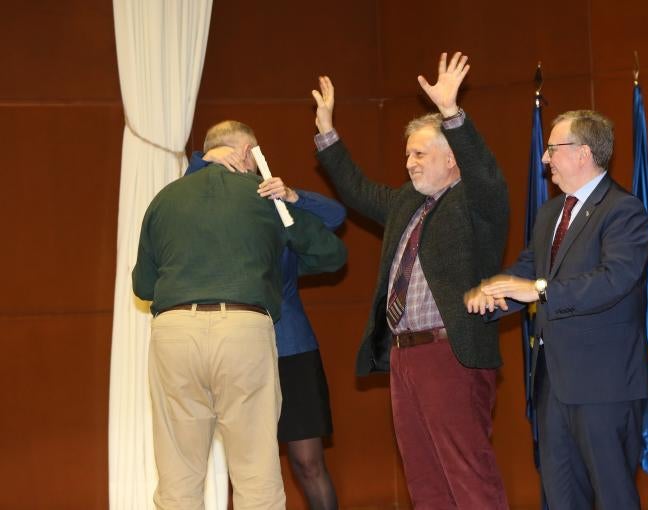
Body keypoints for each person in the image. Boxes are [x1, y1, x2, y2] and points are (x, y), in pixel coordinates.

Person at [311, 52, 510, 509]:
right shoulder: (407, 204)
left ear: (452, 160)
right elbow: (359, 190)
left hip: (450, 355)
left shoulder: (476, 203)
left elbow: (487, 176)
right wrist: (327, 131)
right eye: (407, 154)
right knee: (424, 480)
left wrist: (451, 114)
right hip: (404, 357)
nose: (410, 163)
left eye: (420, 153)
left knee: (468, 477)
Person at [132, 120, 347, 509]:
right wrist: (288, 201)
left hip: (175, 333)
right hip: (244, 331)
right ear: (249, 154)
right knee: (255, 474)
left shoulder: (165, 199)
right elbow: (332, 252)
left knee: (177, 478)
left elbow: (144, 287)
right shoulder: (262, 196)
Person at [465, 110, 648, 510]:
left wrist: (539, 290)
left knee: (614, 497)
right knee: (560, 498)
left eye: (552, 148)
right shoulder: (551, 212)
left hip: (605, 387)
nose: (545, 158)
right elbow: (529, 270)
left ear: (583, 153)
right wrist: (492, 293)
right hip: (553, 385)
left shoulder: (623, 211)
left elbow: (613, 280)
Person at [184, 146, 344, 510]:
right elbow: (180, 192)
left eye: (252, 157)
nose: (248, 165)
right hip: (234, 351)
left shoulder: (274, 208)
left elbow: (335, 216)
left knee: (308, 463)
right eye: (243, 156)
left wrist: (291, 195)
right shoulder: (200, 211)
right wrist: (204, 162)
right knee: (248, 468)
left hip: (291, 349)